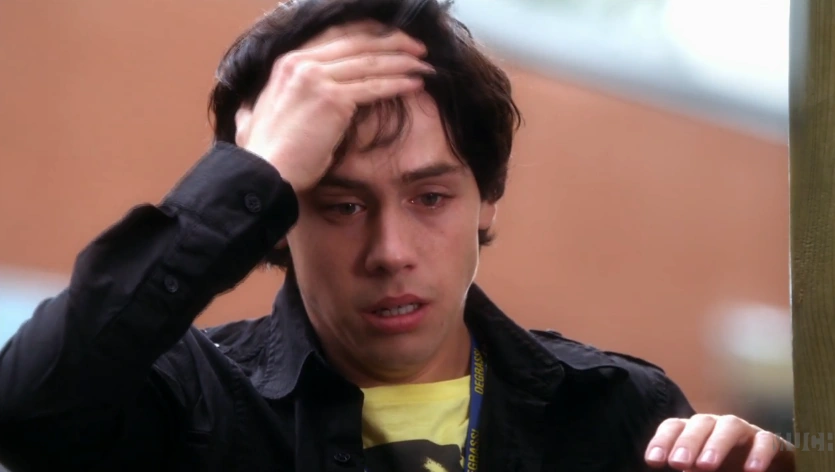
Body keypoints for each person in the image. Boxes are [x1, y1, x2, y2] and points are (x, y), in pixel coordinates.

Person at [0, 0, 795, 471]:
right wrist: (255, 168)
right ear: (276, 215)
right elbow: (26, 407)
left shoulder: (614, 411)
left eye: (429, 197)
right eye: (341, 205)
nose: (390, 252)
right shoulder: (191, 403)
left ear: (486, 199)